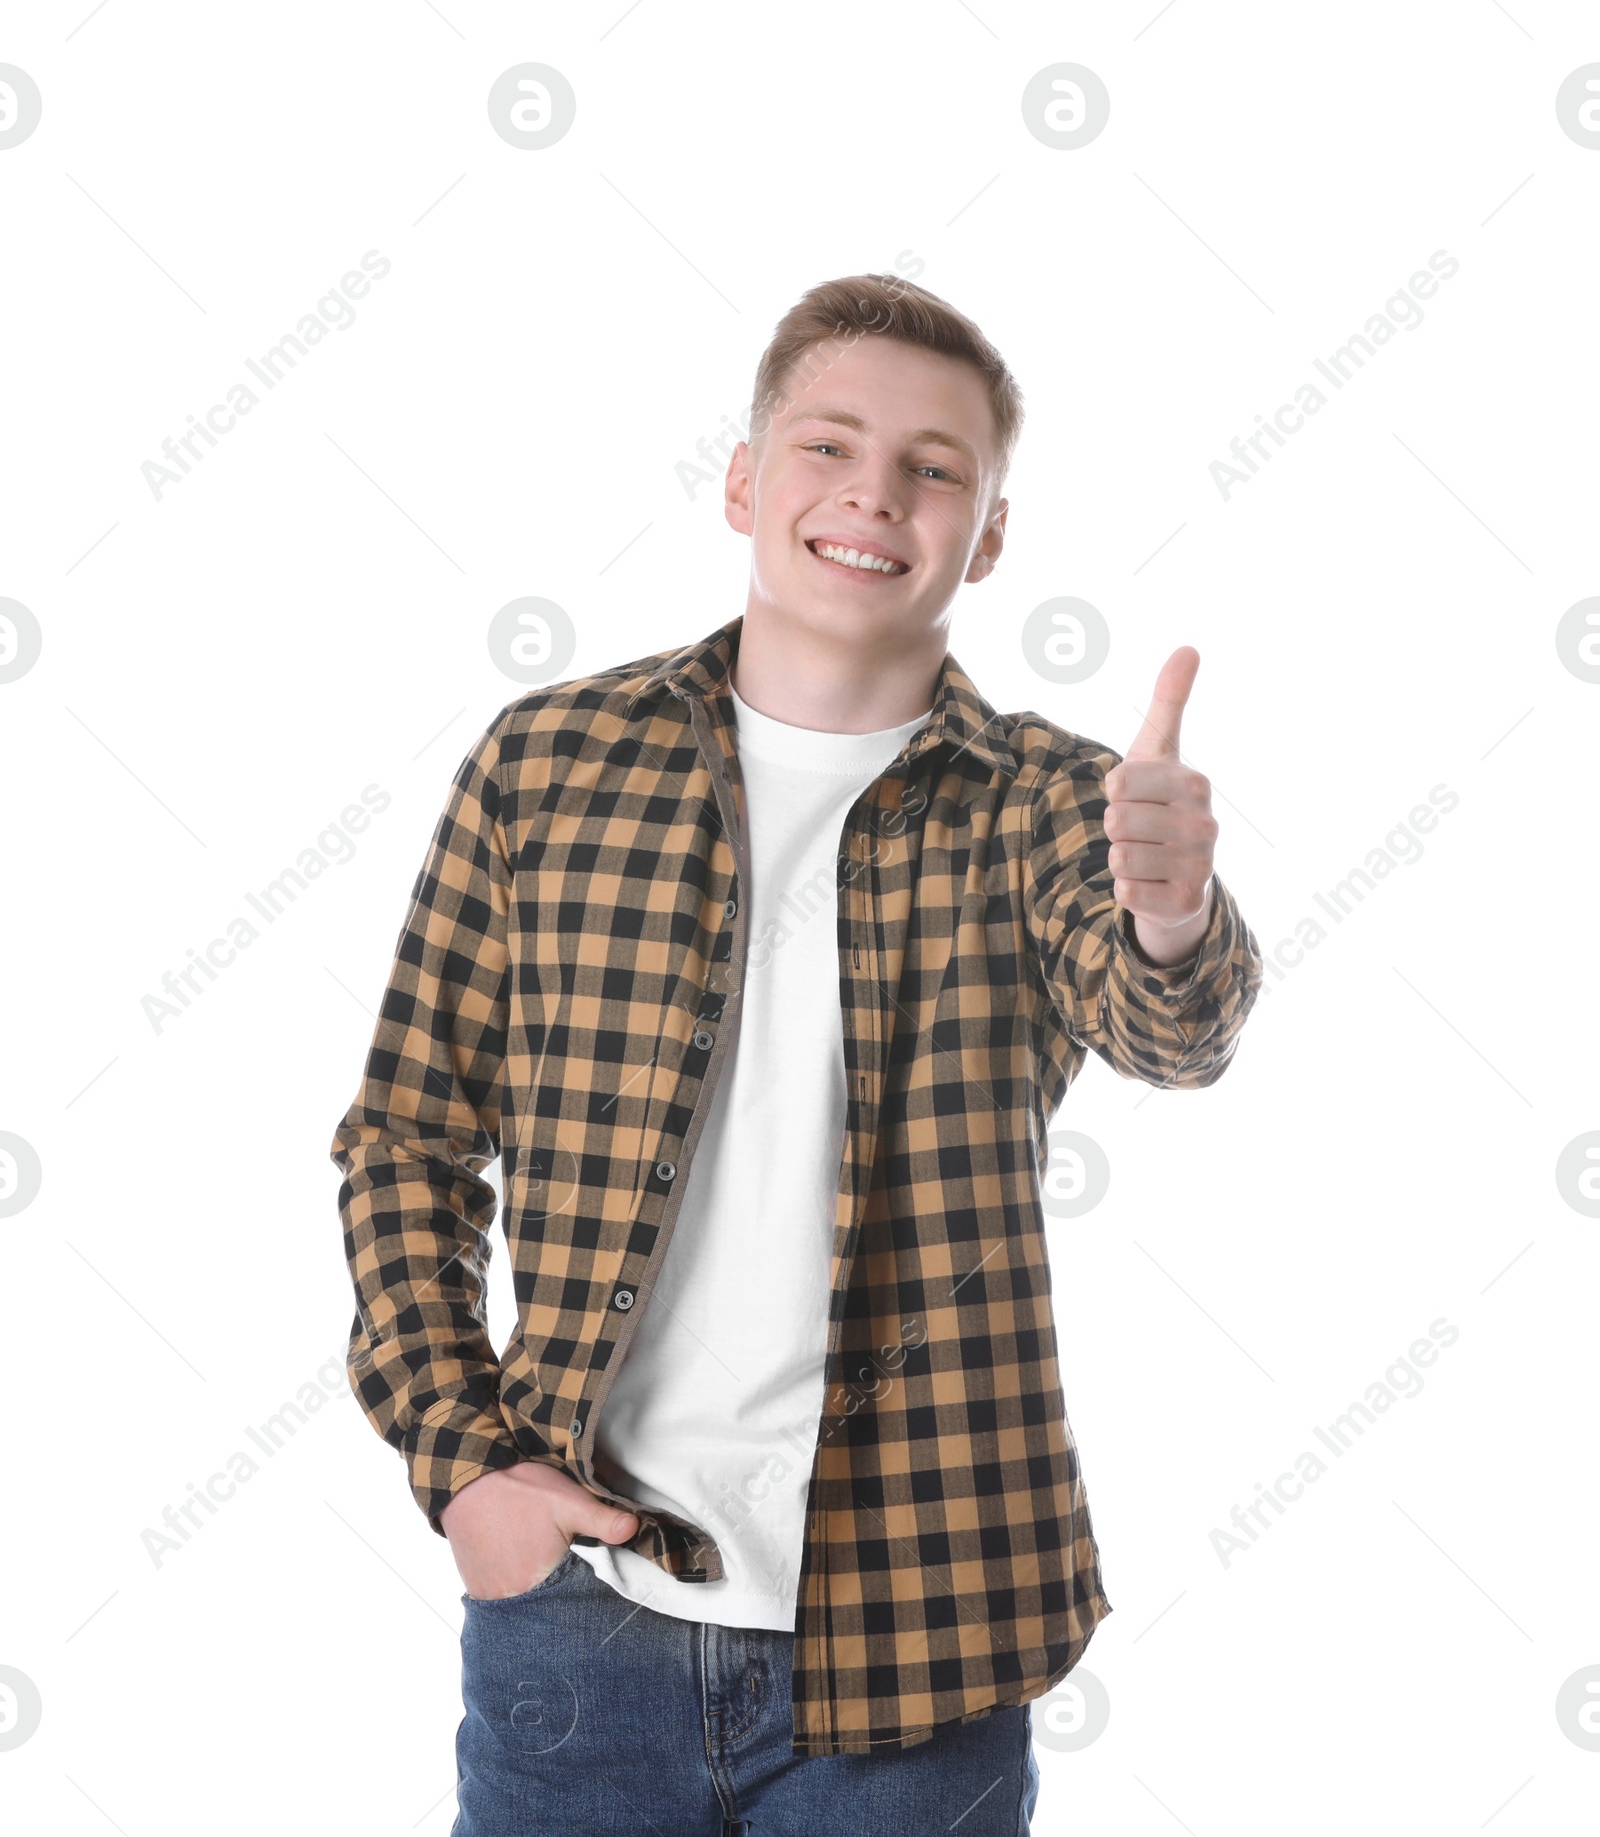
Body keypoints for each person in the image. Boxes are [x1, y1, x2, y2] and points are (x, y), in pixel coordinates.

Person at [329, 272, 1262, 1834]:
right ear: (747, 480)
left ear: (992, 535)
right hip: (582, 1615)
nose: (873, 495)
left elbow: (1170, 1028)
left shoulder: (1050, 802)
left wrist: (1172, 910)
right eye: (829, 446)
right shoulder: (550, 763)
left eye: (935, 467)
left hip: (925, 1653)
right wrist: (463, 1466)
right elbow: (408, 1140)